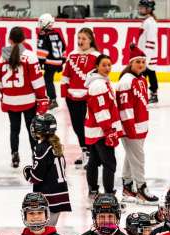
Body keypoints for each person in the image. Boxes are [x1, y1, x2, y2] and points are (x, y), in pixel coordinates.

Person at [0, 26, 48, 169]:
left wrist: (3, 96)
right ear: (24, 40)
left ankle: (14, 155)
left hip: (10, 99)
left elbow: (0, 81)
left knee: (14, 129)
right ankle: (35, 155)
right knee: (32, 128)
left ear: (10, 40)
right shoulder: (30, 56)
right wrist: (42, 98)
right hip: (27, 100)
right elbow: (37, 81)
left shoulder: (2, 57)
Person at [117, 45, 158, 205]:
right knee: (138, 158)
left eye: (143, 61)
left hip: (140, 128)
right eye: (137, 62)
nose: (141, 64)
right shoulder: (126, 81)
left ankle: (128, 187)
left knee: (131, 156)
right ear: (131, 63)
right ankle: (141, 189)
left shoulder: (141, 79)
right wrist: (130, 128)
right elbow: (125, 108)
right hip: (131, 129)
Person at [23, 112, 71, 226]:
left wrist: (27, 171)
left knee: (43, 232)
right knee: (50, 230)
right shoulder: (56, 146)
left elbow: (36, 177)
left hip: (48, 196)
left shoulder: (41, 148)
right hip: (61, 194)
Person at [85, 54, 122, 202]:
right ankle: (108, 195)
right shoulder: (98, 85)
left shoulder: (101, 82)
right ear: (97, 66)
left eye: (109, 65)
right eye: (104, 65)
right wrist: (109, 131)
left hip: (94, 129)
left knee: (93, 161)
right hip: (100, 131)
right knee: (109, 162)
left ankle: (93, 191)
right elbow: (101, 111)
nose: (107, 68)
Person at [61, 28, 99, 168]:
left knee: (88, 127)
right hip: (72, 98)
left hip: (88, 98)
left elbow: (99, 78)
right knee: (77, 127)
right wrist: (64, 93)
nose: (80, 41)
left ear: (90, 40)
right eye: (79, 38)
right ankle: (85, 151)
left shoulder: (97, 56)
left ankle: (91, 154)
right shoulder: (72, 55)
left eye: (84, 38)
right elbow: (66, 75)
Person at [36, 13, 65, 110]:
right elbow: (64, 48)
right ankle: (51, 99)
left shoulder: (43, 35)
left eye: (40, 22)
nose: (39, 24)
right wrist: (62, 61)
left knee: (48, 80)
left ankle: (53, 100)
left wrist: (40, 64)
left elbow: (42, 52)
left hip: (49, 62)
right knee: (49, 80)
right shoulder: (56, 33)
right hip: (58, 62)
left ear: (45, 23)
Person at [137, 0, 158, 104]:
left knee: (144, 74)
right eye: (140, 7)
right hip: (145, 54)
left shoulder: (150, 23)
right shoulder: (147, 21)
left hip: (147, 55)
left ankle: (148, 94)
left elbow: (150, 41)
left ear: (149, 9)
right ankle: (152, 94)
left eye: (142, 7)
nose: (140, 9)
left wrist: (146, 58)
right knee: (149, 74)